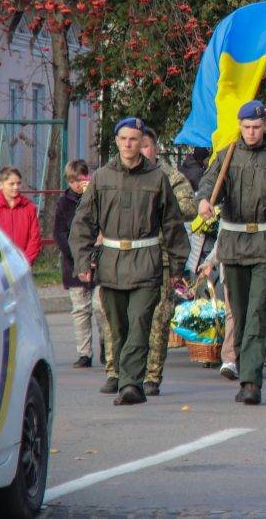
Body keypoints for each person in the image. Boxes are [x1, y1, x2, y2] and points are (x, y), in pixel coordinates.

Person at [69, 117, 189, 405]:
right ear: (117, 141)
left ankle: (131, 385)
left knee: (139, 322)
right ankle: (125, 377)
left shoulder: (157, 178)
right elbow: (82, 223)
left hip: (146, 262)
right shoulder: (101, 177)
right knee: (118, 326)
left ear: (142, 142)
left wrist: (176, 267)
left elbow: (172, 224)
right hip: (111, 263)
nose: (128, 144)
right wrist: (83, 263)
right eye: (123, 139)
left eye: (134, 139)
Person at [197, 101, 266, 405]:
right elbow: (208, 184)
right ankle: (246, 368)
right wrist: (204, 200)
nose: (252, 132)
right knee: (240, 316)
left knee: (258, 313)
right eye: (247, 127)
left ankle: (251, 382)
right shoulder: (227, 155)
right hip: (233, 247)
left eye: (257, 127)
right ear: (240, 127)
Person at [138, 126, 198, 397]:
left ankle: (151, 376)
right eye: (135, 144)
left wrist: (159, 205)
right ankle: (126, 372)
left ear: (155, 148)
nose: (140, 150)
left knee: (159, 319)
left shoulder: (171, 176)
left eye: (145, 145)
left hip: (162, 258)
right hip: (131, 259)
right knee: (130, 319)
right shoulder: (121, 176)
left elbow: (188, 208)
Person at [54, 160, 109, 369]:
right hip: (73, 264)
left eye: (82, 179)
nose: (79, 184)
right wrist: (76, 255)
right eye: (74, 181)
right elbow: (59, 233)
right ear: (69, 182)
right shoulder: (63, 202)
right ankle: (84, 352)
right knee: (80, 309)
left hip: (99, 262)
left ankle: (107, 345)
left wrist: (96, 252)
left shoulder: (97, 198)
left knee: (101, 307)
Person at [0, 167, 41, 264]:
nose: (16, 187)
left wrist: (25, 261)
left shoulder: (29, 208)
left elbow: (35, 238)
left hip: (22, 265)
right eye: (11, 184)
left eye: (18, 183)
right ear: (1, 185)